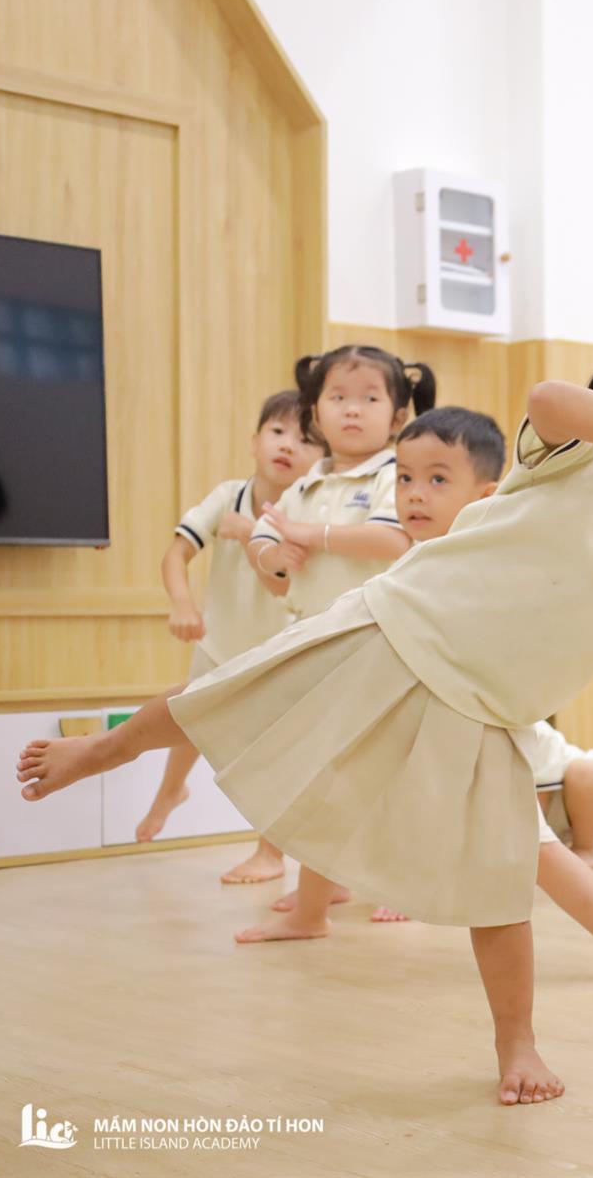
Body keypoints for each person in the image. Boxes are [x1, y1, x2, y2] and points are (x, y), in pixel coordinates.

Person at [20, 342, 593, 1106]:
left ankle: (516, 1041)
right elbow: (550, 398)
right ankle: (103, 748)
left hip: (489, 710)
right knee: (227, 694)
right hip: (395, 627)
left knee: (501, 888)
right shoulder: (587, 456)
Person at [222, 346, 431, 885]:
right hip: (312, 638)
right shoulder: (305, 483)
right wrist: (274, 555)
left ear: (397, 416)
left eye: (369, 399)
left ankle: (392, 878)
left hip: (378, 642)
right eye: (338, 397)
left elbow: (391, 539)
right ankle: (300, 870)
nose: (352, 409)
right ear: (316, 412)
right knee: (298, 757)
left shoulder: (395, 475)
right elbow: (265, 540)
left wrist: (309, 536)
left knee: (378, 767)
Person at [136, 390, 321, 843]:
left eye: (304, 439)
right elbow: (175, 556)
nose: (287, 445)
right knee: (189, 721)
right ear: (255, 441)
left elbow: (286, 583)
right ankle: (171, 790)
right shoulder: (228, 496)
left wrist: (250, 534)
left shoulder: (307, 515)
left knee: (277, 754)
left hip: (279, 653)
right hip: (219, 640)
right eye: (277, 431)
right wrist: (183, 604)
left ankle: (269, 851)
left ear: (322, 459)